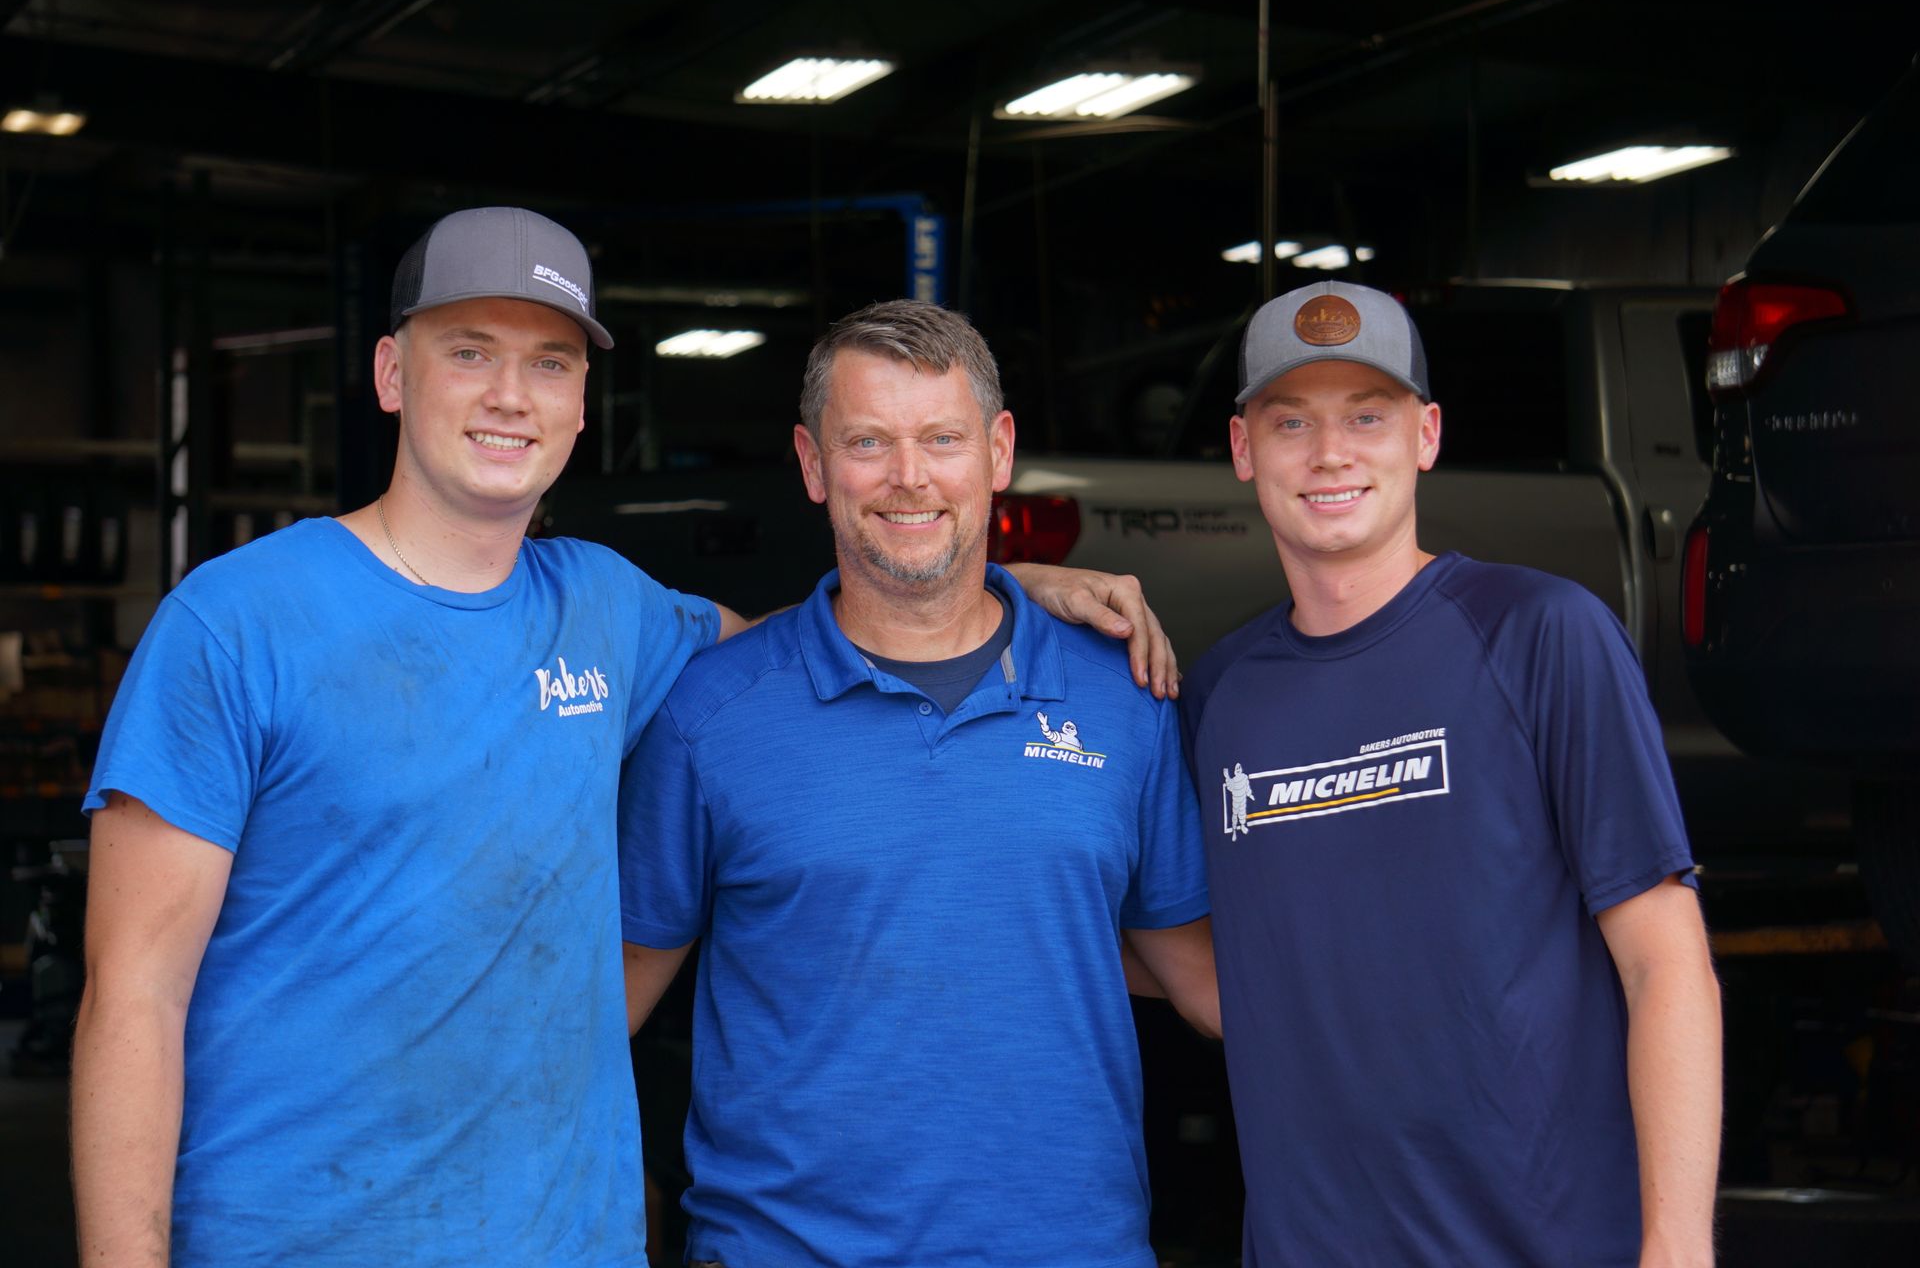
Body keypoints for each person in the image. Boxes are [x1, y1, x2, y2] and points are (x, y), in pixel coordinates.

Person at [68, 208, 1176, 1266]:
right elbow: (133, 997)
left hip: (562, 1241)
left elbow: (833, 642)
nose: (511, 394)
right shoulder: (235, 623)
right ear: (391, 375)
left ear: (584, 398)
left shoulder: (611, 610)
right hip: (302, 1238)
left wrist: (998, 581)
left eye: (549, 361)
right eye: (469, 351)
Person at [618, 299, 1218, 1268]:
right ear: (814, 465)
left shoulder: (1126, 697)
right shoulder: (710, 714)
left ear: (998, 450)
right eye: (868, 441)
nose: (909, 476)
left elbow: (1206, 978)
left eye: (942, 438)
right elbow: (608, 1005)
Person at [1180, 281, 1722, 1267]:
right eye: (1291, 419)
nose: (1331, 451)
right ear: (1242, 448)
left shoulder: (1540, 634)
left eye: (1368, 415)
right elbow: (1211, 966)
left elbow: (1664, 955)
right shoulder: (1220, 695)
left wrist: (1677, 1243)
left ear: (1426, 434)